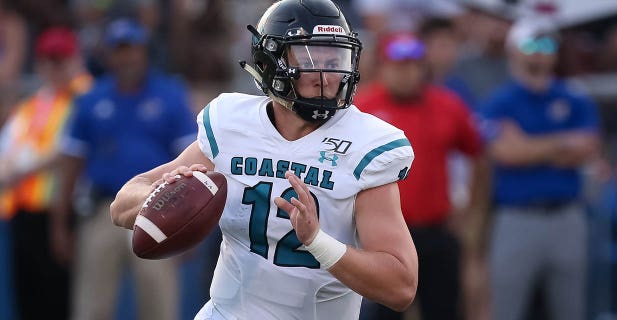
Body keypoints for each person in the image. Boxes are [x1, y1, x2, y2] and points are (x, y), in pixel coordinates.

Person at [109, 0, 419, 319]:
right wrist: (166, 198)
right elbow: (121, 205)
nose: (328, 76)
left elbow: (400, 286)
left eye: (335, 58)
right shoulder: (232, 124)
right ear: (271, 63)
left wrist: (317, 241)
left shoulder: (366, 145)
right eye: (311, 58)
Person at [52, 18, 196, 320]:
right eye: (120, 50)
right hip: (102, 208)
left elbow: (193, 163)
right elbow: (71, 163)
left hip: (159, 208)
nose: (127, 57)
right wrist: (60, 222)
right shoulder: (91, 99)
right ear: (108, 55)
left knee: (159, 305)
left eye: (133, 49)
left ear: (145, 52)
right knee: (92, 305)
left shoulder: (169, 95)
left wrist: (190, 227)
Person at [355, 32, 484, 320]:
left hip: (437, 230)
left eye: (413, 65)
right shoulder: (363, 109)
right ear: (383, 67)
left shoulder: (447, 105)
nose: (406, 73)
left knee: (444, 310)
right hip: (383, 236)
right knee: (385, 313)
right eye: (398, 65)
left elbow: (476, 153)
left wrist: (470, 209)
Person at [480, 18, 600, 320]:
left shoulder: (574, 97)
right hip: (516, 218)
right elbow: (505, 153)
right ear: (514, 51)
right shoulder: (499, 101)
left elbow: (588, 148)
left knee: (570, 309)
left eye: (546, 44)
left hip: (566, 216)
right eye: (531, 44)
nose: (539, 52)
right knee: (506, 308)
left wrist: (529, 146)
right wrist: (561, 144)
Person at [0, 27, 91, 320]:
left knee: (60, 300)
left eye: (60, 59)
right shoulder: (32, 104)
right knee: (29, 300)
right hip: (25, 212)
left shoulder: (86, 98)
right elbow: (8, 151)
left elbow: (69, 151)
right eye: (48, 60)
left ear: (75, 60)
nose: (54, 67)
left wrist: (22, 170)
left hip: (63, 213)